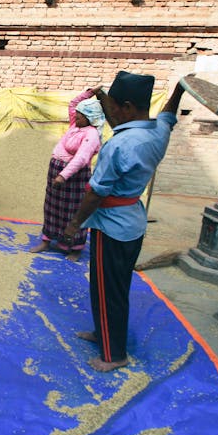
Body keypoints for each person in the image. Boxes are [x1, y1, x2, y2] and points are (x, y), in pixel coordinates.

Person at [63, 71, 187, 372]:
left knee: (109, 291)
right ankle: (102, 333)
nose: (111, 112)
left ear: (128, 107)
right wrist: (180, 91)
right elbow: (168, 114)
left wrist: (74, 224)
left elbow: (96, 193)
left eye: (115, 106)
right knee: (110, 286)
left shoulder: (118, 145)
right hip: (132, 221)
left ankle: (114, 355)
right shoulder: (158, 130)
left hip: (113, 226)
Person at [30, 93, 103, 261]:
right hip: (57, 173)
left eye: (80, 115)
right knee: (51, 208)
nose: (75, 116)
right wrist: (91, 91)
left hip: (74, 177)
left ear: (90, 118)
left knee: (72, 212)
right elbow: (73, 104)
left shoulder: (91, 134)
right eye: (76, 114)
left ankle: (75, 248)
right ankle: (47, 241)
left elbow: (81, 158)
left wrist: (63, 176)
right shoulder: (75, 125)